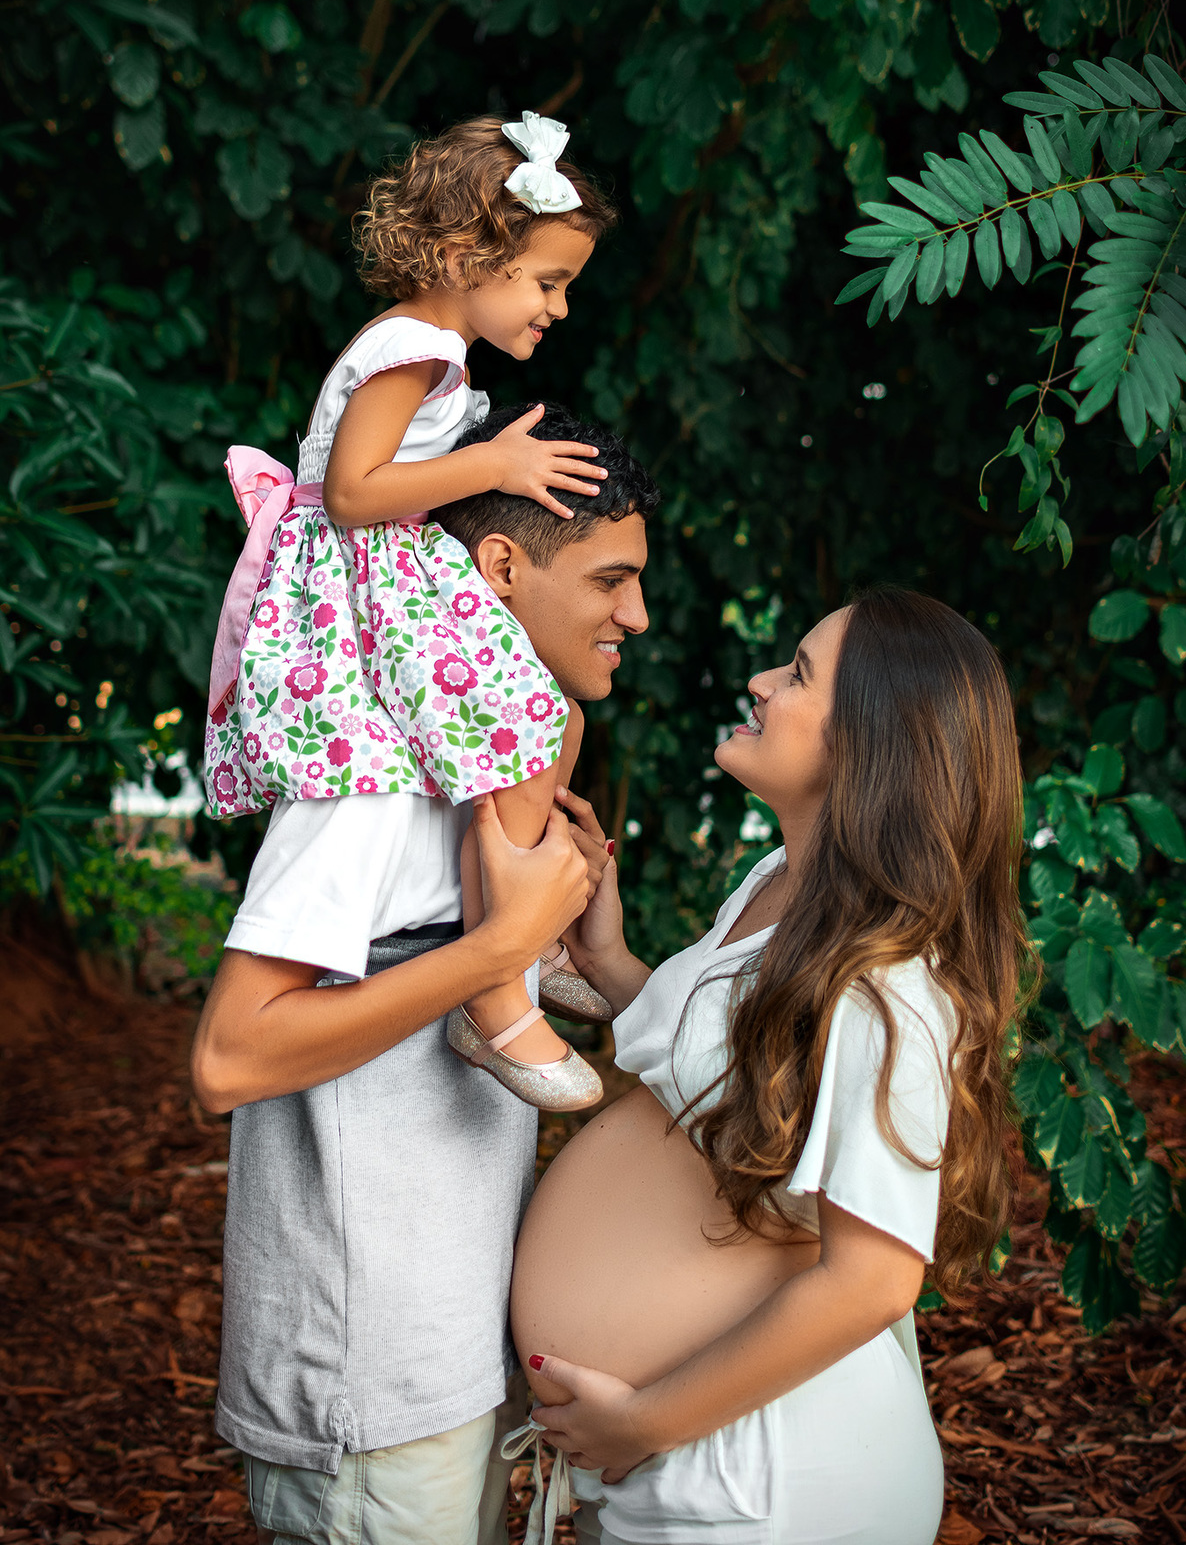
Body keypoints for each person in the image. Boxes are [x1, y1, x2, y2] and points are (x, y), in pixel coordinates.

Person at [190, 407, 657, 1545]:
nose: (637, 615)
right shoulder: (368, 779)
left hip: (452, 1361)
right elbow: (228, 1059)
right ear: (498, 568)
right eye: (611, 580)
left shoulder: (496, 763)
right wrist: (491, 956)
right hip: (367, 1382)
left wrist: (547, 941)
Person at [509, 587, 1033, 1545]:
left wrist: (645, 1420)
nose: (759, 680)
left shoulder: (890, 986)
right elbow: (724, 1082)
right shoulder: (779, 888)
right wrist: (609, 960)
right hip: (691, 1471)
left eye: (797, 673)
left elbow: (873, 1282)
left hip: (768, 1483)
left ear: (870, 742)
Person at [204, 111, 621, 1107]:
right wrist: (494, 465)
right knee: (524, 724)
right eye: (547, 282)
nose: (559, 308)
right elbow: (353, 492)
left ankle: (522, 942)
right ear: (468, 255)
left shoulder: (424, 344)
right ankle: (498, 986)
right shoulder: (417, 346)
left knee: (549, 723)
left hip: (388, 573)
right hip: (365, 581)